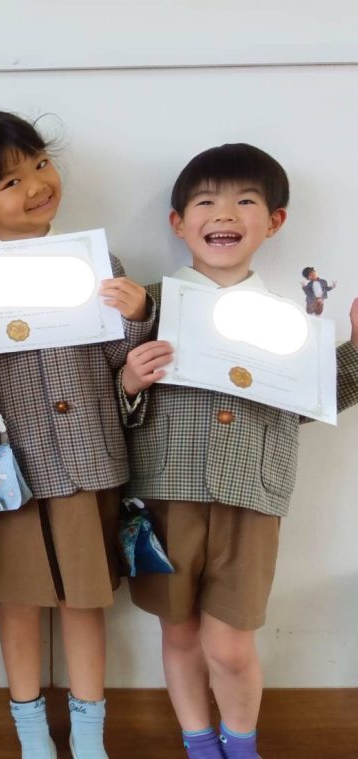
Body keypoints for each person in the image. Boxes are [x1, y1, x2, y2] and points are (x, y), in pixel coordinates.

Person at [118, 143, 358, 759]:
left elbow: (308, 402)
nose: (224, 214)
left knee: (229, 644)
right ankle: (200, 744)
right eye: (206, 202)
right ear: (178, 222)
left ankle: (242, 744)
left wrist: (357, 349)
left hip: (252, 498)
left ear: (274, 221)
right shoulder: (146, 305)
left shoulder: (291, 321)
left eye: (245, 201)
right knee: (179, 633)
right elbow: (104, 402)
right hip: (165, 495)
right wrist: (130, 384)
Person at [0, 110, 153, 759]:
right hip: (8, 467)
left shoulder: (98, 263)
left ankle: (89, 735)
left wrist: (139, 320)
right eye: (10, 181)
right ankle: (31, 733)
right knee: (19, 601)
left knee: (86, 600)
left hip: (87, 459)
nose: (35, 185)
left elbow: (121, 361)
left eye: (40, 165)